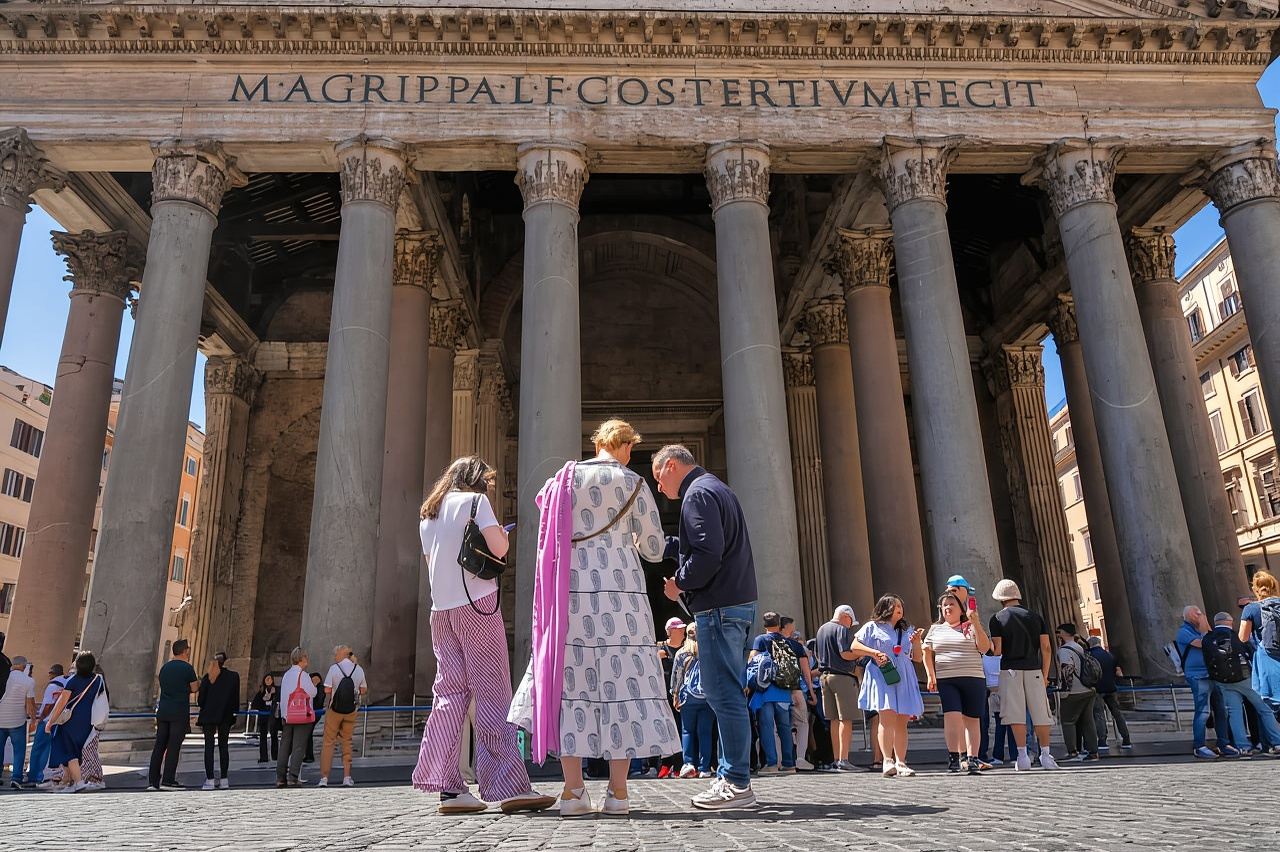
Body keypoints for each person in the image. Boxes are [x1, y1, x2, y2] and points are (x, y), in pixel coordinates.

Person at [510, 423, 678, 818]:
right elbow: (654, 550)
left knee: (572, 683)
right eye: (629, 449)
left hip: (570, 592)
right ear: (623, 446)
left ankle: (573, 792)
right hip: (623, 598)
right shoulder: (635, 483)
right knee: (624, 686)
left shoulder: (563, 480)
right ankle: (618, 793)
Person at [412, 455, 555, 815]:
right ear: (475, 480)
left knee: (448, 695)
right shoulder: (475, 502)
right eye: (486, 481)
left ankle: (449, 788)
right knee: (493, 693)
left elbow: (432, 564)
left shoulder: (428, 513)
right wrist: (500, 533)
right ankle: (509, 787)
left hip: (440, 611)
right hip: (477, 604)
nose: (488, 487)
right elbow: (500, 549)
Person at [655, 443, 758, 810]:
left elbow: (707, 555)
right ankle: (735, 776)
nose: (659, 488)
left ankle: (735, 782)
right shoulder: (717, 487)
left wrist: (680, 582)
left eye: (658, 477)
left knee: (722, 693)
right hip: (737, 604)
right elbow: (710, 544)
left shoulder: (695, 495)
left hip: (717, 608)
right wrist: (669, 547)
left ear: (670, 466)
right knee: (729, 692)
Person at [988, 579, 1059, 771]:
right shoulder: (1036, 617)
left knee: (1015, 714)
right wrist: (1044, 674)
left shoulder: (997, 619)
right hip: (1034, 668)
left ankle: (1022, 756)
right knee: (1041, 714)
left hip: (1010, 669)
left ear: (1000, 598)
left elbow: (998, 650)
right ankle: (1045, 755)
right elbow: (1046, 647)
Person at [852, 594, 925, 777]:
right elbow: (854, 647)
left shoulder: (908, 629)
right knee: (886, 716)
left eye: (900, 605)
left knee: (902, 720)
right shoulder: (872, 627)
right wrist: (874, 652)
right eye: (895, 606)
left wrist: (916, 643)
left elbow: (917, 658)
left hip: (904, 674)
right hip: (882, 673)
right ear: (885, 608)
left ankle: (901, 762)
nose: (899, 609)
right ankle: (887, 760)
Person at [923, 592, 992, 774]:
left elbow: (984, 648)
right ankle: (954, 758)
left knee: (972, 719)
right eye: (944, 605)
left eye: (951, 604)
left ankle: (972, 758)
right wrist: (931, 675)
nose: (947, 608)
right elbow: (926, 652)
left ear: (961, 608)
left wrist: (975, 622)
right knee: (952, 717)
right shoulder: (935, 629)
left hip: (973, 677)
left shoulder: (971, 627)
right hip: (947, 679)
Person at [1203, 611, 1280, 756]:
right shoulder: (1236, 636)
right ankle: (1277, 742)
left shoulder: (1207, 639)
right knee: (1264, 709)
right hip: (1245, 678)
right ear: (1230, 622)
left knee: (1234, 713)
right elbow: (1251, 653)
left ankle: (1243, 747)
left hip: (1223, 681)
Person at [43, 651, 104, 793]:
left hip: (70, 720)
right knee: (77, 750)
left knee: (69, 752)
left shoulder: (73, 681)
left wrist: (50, 722)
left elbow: (61, 703)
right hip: (87, 720)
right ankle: (68, 781)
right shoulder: (97, 680)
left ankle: (78, 782)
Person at [1176, 605, 1230, 759]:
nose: (1200, 616)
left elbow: (1216, 644)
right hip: (1197, 676)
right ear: (1187, 616)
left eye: (1201, 613)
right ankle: (1199, 745)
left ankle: (1224, 743)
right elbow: (1204, 644)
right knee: (1203, 712)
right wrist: (1204, 627)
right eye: (1196, 614)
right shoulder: (1184, 632)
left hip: (1211, 674)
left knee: (1221, 710)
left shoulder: (1202, 631)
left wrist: (1206, 628)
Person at [147, 638, 199, 791]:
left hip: (163, 710)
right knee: (173, 746)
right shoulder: (187, 668)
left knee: (159, 746)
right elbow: (194, 688)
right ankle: (168, 780)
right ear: (185, 651)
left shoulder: (165, 668)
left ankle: (153, 781)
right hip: (179, 711)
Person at [814, 605, 860, 771]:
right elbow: (845, 653)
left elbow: (817, 655)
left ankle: (836, 759)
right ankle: (844, 759)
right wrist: (861, 653)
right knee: (845, 719)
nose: (850, 625)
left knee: (833, 720)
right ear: (845, 616)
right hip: (842, 677)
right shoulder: (841, 629)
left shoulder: (821, 629)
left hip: (824, 677)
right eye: (850, 621)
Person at [318, 645, 367, 787]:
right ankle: (347, 776)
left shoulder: (334, 668)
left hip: (335, 710)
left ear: (341, 654)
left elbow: (327, 689)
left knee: (328, 742)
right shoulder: (358, 669)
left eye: (336, 654)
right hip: (351, 710)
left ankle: (324, 778)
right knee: (347, 742)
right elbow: (363, 689)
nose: (335, 657)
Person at [671, 623, 714, 779]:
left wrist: (675, 694)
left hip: (688, 697)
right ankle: (705, 767)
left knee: (687, 731)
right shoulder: (710, 651)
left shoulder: (682, 653)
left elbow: (677, 676)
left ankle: (688, 764)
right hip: (708, 697)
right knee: (705, 732)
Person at [1055, 624, 1099, 762]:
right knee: (1088, 721)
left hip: (1075, 691)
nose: (1057, 634)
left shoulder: (1064, 650)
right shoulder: (1079, 646)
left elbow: (1067, 669)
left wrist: (1065, 690)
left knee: (1068, 721)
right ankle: (1093, 752)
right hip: (1088, 689)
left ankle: (1072, 752)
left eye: (1058, 632)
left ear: (1063, 633)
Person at [197, 651, 240, 790]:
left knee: (208, 747)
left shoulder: (207, 677)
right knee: (223, 746)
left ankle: (210, 779)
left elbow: (200, 700)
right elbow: (235, 699)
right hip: (225, 715)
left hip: (209, 715)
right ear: (226, 661)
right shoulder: (234, 677)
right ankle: (224, 779)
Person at [1239, 570, 1280, 712]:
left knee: (1276, 706)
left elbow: (1243, 637)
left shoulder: (1251, 608)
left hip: (1268, 660)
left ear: (1254, 589)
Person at [779, 618, 816, 770]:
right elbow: (806, 673)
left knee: (779, 727)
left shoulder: (767, 643)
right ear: (785, 627)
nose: (794, 630)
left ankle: (779, 760)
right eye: (792, 627)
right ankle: (800, 757)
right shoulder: (796, 646)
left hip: (776, 690)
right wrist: (812, 692)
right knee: (802, 723)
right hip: (795, 689)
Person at [277, 647, 316, 787]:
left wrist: (284, 714)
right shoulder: (303, 676)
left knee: (285, 746)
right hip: (301, 715)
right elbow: (313, 692)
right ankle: (293, 777)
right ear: (302, 658)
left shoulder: (286, 675)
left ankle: (280, 777)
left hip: (287, 715)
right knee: (298, 747)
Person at [1087, 636, 1132, 752]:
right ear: (1099, 643)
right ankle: (1126, 738)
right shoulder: (1110, 655)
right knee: (1117, 713)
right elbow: (1118, 673)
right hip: (1111, 688)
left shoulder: (1089, 656)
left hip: (1097, 689)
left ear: (1090, 644)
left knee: (1099, 714)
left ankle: (1102, 740)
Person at [656, 617, 687, 779]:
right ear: (671, 631)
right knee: (666, 729)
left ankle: (680, 764)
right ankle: (666, 763)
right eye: (679, 628)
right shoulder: (661, 648)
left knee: (682, 728)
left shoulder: (687, 648)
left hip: (683, 693)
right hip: (664, 694)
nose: (682, 631)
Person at [29, 663, 67, 787]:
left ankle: (34, 775)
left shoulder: (52, 686)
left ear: (52, 674)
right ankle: (44, 775)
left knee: (37, 749)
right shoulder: (67, 683)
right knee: (48, 749)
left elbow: (48, 705)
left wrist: (41, 718)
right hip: (59, 722)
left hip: (47, 721)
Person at [0, 655, 35, 788]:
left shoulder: (3, 676)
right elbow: (30, 704)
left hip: (1, 720)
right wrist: (33, 719)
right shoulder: (28, 681)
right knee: (19, 750)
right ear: (24, 666)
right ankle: (16, 778)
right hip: (17, 721)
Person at [251, 673, 280, 762]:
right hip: (263, 716)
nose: (268, 681)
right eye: (267, 679)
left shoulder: (277, 690)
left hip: (273, 717)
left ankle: (275, 756)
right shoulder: (261, 691)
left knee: (274, 736)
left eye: (270, 679)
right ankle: (263, 757)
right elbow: (255, 704)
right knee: (263, 737)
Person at [304, 672, 323, 764]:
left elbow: (319, 701)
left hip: (315, 712)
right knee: (307, 734)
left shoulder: (319, 689)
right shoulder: (310, 688)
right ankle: (308, 755)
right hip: (310, 712)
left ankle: (309, 756)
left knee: (308, 733)